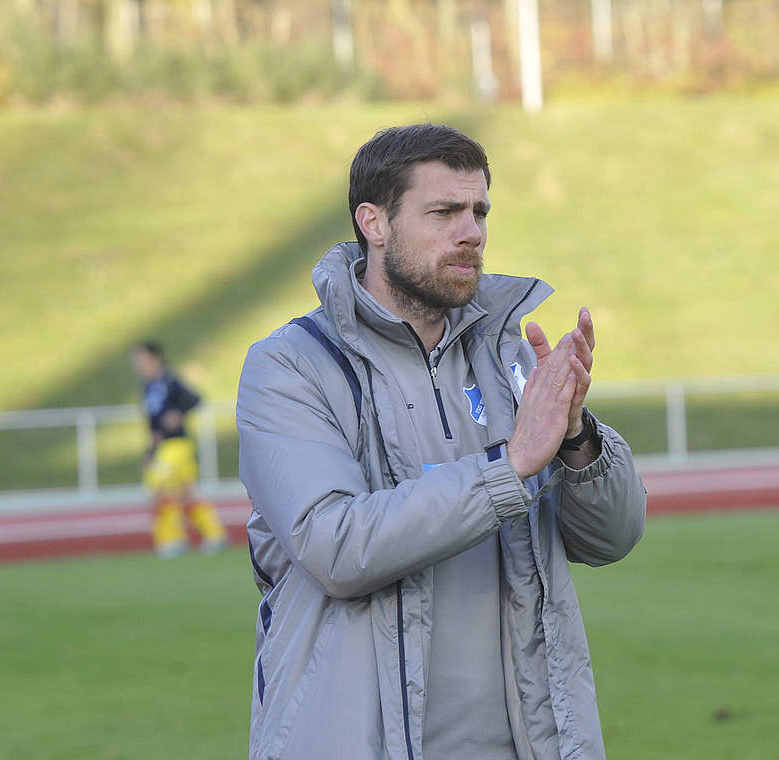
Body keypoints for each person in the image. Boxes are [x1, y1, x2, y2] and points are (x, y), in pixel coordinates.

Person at [236, 123, 646, 759]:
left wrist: (574, 438)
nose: (472, 231)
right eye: (444, 211)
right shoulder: (289, 368)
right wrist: (508, 466)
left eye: (479, 210)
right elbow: (337, 548)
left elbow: (612, 538)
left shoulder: (509, 355)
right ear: (374, 222)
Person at [132, 341, 229, 557]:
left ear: (154, 358)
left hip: (177, 445)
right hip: (163, 447)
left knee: (160, 488)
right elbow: (153, 424)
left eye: (142, 358)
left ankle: (172, 540)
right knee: (185, 493)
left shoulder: (168, 381)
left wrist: (178, 412)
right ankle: (214, 534)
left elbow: (195, 399)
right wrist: (150, 451)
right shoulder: (147, 386)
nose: (138, 363)